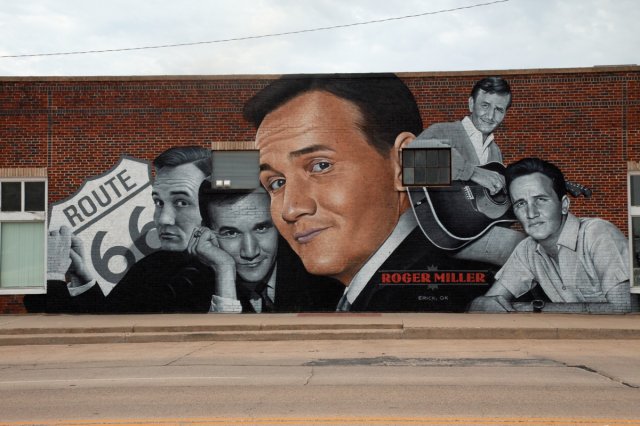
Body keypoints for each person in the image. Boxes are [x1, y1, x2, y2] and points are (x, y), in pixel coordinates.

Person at [244, 74, 494, 312]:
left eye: (320, 166)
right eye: (276, 183)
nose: (290, 209)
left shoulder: (432, 297)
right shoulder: (372, 291)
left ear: (403, 164)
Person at [28, 146, 215, 313]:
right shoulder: (157, 263)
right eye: (158, 202)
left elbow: (66, 334)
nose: (163, 219)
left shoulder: (199, 277)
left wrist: (52, 276)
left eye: (182, 202)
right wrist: (81, 277)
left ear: (212, 208)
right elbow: (110, 317)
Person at [469, 158, 632, 313]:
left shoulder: (598, 233)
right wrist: (480, 303)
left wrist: (534, 309)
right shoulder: (527, 250)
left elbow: (624, 308)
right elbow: (488, 302)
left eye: (541, 199)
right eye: (521, 203)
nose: (531, 213)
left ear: (564, 205)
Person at [191, 183, 343, 313]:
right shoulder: (188, 287)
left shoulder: (326, 280)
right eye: (231, 233)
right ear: (205, 233)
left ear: (279, 223)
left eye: (261, 228)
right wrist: (224, 270)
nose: (250, 252)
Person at [415, 76, 512, 194]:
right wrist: (472, 172)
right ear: (471, 104)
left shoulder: (495, 152)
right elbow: (409, 159)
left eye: (499, 110)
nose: (491, 116)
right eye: (485, 105)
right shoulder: (441, 130)